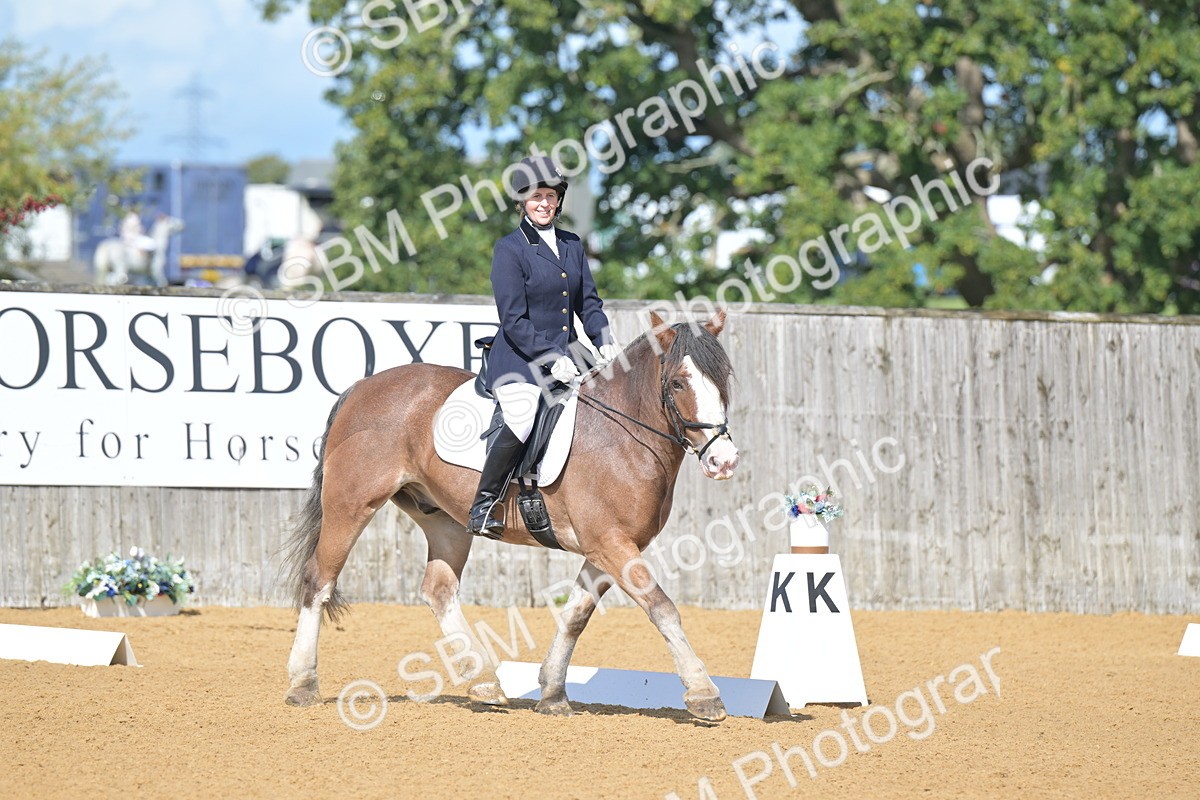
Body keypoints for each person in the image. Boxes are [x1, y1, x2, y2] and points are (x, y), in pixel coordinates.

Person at [466, 156, 621, 538]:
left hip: (572, 351)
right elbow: (514, 320)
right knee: (521, 417)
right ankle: (484, 506)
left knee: (613, 399)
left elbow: (590, 304)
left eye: (551, 196)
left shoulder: (571, 244)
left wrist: (603, 341)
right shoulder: (510, 249)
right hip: (520, 358)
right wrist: (552, 360)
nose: (545, 204)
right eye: (537, 197)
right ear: (523, 201)